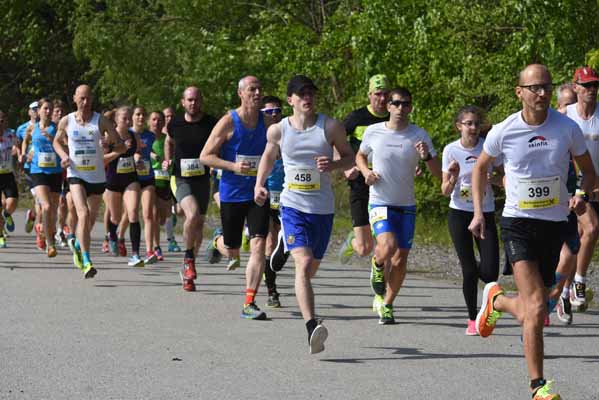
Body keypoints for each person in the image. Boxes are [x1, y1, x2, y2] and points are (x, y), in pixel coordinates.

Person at [469, 64, 596, 399]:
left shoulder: (566, 128)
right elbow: (480, 168)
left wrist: (581, 195)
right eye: (534, 87)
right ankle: (538, 386)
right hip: (518, 224)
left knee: (534, 306)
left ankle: (497, 300)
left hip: (554, 224)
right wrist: (480, 213)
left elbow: (588, 172)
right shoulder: (504, 130)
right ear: (519, 92)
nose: (541, 93)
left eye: (545, 87)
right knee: (538, 306)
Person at [255, 75, 354, 353]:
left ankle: (283, 245)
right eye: (301, 94)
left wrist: (334, 164)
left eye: (310, 93)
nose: (307, 98)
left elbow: (349, 156)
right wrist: (259, 184)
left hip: (322, 209)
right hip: (292, 205)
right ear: (290, 100)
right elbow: (268, 157)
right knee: (304, 262)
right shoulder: (278, 130)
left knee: (310, 270)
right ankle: (312, 325)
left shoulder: (330, 126)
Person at [356, 87, 442, 325]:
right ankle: (377, 263)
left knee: (401, 259)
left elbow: (438, 174)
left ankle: (387, 304)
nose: (401, 108)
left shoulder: (419, 135)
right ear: (389, 106)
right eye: (397, 103)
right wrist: (366, 172)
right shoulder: (374, 132)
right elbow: (360, 156)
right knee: (388, 245)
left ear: (410, 107)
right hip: (380, 201)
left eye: (406, 104)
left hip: (406, 204)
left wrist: (426, 157)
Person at [200, 75, 271, 319]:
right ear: (241, 93)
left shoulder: (269, 121)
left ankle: (249, 302)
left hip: (258, 192)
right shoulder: (228, 122)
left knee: (258, 245)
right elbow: (205, 156)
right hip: (232, 192)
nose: (257, 93)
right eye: (252, 89)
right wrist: (233, 166)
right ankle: (218, 242)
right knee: (232, 251)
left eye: (260, 89)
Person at [53, 84, 125, 278]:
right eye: (81, 98)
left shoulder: (100, 121)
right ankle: (86, 260)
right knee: (82, 214)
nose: (85, 103)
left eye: (88, 99)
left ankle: (77, 243)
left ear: (91, 100)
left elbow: (120, 145)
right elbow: (56, 141)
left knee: (91, 218)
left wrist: (108, 147)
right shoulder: (67, 121)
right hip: (76, 174)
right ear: (75, 99)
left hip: (97, 176)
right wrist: (63, 156)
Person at [441, 106, 501, 334]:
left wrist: (492, 178)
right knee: (468, 270)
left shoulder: (488, 148)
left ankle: (479, 269)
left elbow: (502, 178)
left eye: (476, 123)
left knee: (490, 272)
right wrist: (453, 177)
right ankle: (472, 319)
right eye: (468, 123)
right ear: (459, 126)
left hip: (485, 212)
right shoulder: (451, 150)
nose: (473, 128)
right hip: (459, 213)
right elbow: (445, 190)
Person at [163, 87, 217, 292]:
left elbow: (218, 143)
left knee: (198, 226)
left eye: (196, 100)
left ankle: (188, 272)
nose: (193, 103)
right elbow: (168, 141)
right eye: (189, 100)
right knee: (192, 215)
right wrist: (167, 159)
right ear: (183, 102)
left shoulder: (211, 123)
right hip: (180, 178)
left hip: (202, 180)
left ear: (201, 101)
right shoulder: (175, 123)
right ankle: (187, 260)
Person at [338, 74, 390, 264]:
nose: (382, 99)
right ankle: (354, 240)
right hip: (360, 181)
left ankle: (380, 279)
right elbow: (336, 142)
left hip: (386, 183)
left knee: (385, 241)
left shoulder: (395, 117)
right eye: (378, 94)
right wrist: (344, 167)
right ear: (369, 95)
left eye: (385, 94)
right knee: (364, 249)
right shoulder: (356, 117)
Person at [566, 66, 599, 311]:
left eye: (594, 85)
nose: (591, 90)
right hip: (575, 186)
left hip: (597, 184)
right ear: (575, 87)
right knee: (592, 228)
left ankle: (563, 291)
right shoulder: (564, 116)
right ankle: (579, 281)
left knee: (578, 241)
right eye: (586, 85)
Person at [21, 99, 64, 257]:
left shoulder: (58, 128)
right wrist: (25, 154)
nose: (48, 111)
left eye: (50, 109)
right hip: (38, 170)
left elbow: (65, 146)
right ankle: (50, 244)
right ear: (38, 111)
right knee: (45, 206)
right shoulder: (32, 127)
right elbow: (25, 141)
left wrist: (53, 140)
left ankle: (43, 230)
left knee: (52, 209)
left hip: (55, 171)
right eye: (45, 108)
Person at [104, 106, 144, 267]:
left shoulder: (134, 136)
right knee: (115, 217)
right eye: (124, 119)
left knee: (133, 213)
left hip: (130, 179)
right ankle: (112, 235)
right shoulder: (109, 137)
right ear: (116, 120)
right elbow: (103, 160)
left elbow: (137, 152)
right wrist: (120, 151)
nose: (128, 122)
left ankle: (135, 254)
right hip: (113, 181)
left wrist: (138, 160)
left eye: (129, 118)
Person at [149, 110, 169, 261]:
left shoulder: (168, 139)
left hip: (165, 180)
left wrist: (169, 162)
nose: (157, 122)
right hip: (149, 181)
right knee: (153, 215)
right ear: (150, 122)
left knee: (163, 217)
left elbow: (173, 156)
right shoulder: (145, 138)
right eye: (154, 120)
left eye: (159, 120)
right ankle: (156, 247)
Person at [16, 101, 39, 234]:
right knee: (39, 197)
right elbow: (18, 144)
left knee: (44, 199)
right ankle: (40, 230)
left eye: (38, 109)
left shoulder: (47, 127)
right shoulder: (22, 128)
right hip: (30, 167)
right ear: (29, 112)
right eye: (33, 109)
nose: (36, 111)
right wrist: (20, 156)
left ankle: (33, 216)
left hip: (46, 166)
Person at [162, 106, 182, 253]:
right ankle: (170, 240)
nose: (169, 119)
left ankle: (170, 237)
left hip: (177, 173)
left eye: (171, 116)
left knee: (178, 209)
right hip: (159, 176)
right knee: (166, 210)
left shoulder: (177, 131)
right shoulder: (157, 133)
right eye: (166, 117)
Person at [0, 110, 19, 248]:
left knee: (12, 203)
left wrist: (17, 152)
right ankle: (1, 236)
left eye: (2, 120)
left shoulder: (10, 133)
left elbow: (17, 147)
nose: (1, 122)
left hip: (7, 173)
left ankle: (6, 214)